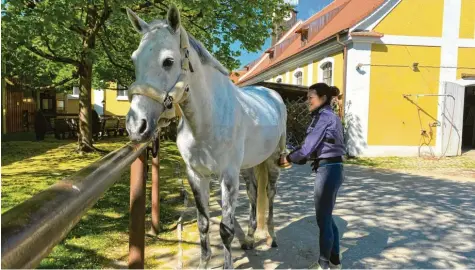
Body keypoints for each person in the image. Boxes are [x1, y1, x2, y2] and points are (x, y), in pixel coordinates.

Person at [284, 82, 345, 269]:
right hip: (332, 168)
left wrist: (288, 157)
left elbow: (307, 148)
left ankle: (323, 264)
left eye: (310, 97)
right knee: (327, 216)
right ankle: (335, 261)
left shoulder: (324, 117)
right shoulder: (325, 116)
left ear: (323, 98)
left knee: (323, 219)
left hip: (328, 170)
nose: (307, 101)